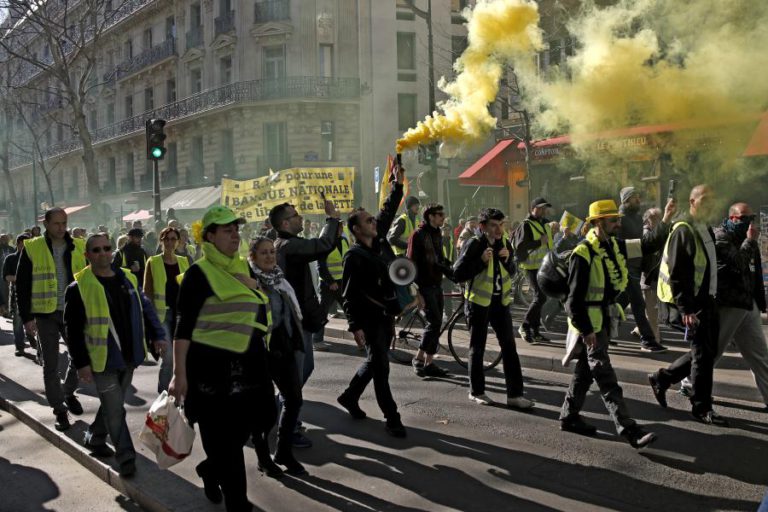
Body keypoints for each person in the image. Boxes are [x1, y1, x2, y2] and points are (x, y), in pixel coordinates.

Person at [169, 206, 276, 512]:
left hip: (251, 368)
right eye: (226, 230)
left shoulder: (242, 268)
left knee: (262, 421)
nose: (234, 235)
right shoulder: (198, 274)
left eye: (236, 229)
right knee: (228, 447)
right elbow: (183, 326)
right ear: (210, 236)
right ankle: (238, 505)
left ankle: (209, 470)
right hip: (211, 375)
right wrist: (180, 373)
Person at [64, 233, 166, 477]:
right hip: (102, 361)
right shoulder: (78, 288)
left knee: (114, 405)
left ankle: (96, 438)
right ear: (87, 255)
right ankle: (126, 456)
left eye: (106, 248)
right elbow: (73, 331)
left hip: (130, 356)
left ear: (113, 251)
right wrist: (81, 364)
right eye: (96, 250)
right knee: (116, 409)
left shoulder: (128, 278)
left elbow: (146, 308)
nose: (103, 253)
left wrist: (158, 335)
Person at [559, 199, 657, 449]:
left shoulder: (614, 245)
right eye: (613, 220)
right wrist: (586, 330)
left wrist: (664, 220)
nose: (618, 223)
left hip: (602, 320)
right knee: (605, 375)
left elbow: (645, 246)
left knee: (584, 373)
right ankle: (628, 428)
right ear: (597, 223)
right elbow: (573, 300)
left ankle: (569, 417)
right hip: (589, 326)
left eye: (618, 219)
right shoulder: (583, 253)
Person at [336, 164, 407, 437]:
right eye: (368, 221)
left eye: (372, 220)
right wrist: (355, 326)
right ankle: (392, 418)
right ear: (356, 229)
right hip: (369, 320)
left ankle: (350, 396)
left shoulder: (376, 244)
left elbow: (387, 212)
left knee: (376, 361)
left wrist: (396, 186)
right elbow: (348, 294)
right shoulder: (353, 257)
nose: (373, 223)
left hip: (385, 317)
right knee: (381, 368)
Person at [648, 185, 728, 425]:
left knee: (707, 351)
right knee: (703, 356)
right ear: (692, 202)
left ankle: (662, 379)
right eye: (704, 199)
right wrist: (687, 309)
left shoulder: (705, 228)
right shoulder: (683, 229)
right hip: (694, 306)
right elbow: (677, 274)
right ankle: (702, 407)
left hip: (708, 301)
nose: (710, 204)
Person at [680, 203, 768, 408]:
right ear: (733, 218)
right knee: (712, 351)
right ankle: (689, 383)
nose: (750, 223)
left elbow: (753, 273)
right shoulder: (720, 237)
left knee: (760, 355)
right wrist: (750, 241)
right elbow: (739, 263)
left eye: (752, 218)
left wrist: (760, 302)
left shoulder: (747, 239)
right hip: (727, 304)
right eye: (745, 218)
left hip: (747, 305)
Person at [270, 198, 341, 448]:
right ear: (285, 223)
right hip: (293, 323)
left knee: (304, 369)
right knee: (295, 375)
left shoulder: (286, 244)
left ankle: (280, 413)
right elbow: (322, 245)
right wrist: (332, 219)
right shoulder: (288, 246)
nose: (301, 218)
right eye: (295, 215)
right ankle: (288, 426)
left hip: (300, 320)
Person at [453, 208, 534, 410]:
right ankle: (476, 391)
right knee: (477, 348)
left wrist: (508, 261)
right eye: (493, 225)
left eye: (501, 225)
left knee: (510, 348)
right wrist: (480, 262)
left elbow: (513, 272)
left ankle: (514, 395)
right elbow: (458, 274)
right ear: (482, 227)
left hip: (500, 304)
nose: (499, 229)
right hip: (478, 304)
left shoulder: (504, 243)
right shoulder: (474, 244)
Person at [16, 207, 87, 431]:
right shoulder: (33, 247)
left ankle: (68, 392)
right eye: (56, 223)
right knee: (51, 365)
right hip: (45, 314)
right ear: (46, 224)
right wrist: (27, 318)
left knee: (80, 356)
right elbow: (22, 284)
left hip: (72, 312)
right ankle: (59, 410)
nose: (61, 228)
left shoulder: (79, 246)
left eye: (64, 223)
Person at [249, 236, 309, 476]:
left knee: (294, 399)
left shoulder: (280, 279)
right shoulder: (249, 281)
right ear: (252, 257)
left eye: (271, 252)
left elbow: (292, 313)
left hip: (283, 347)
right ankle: (264, 458)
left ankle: (283, 451)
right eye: (263, 253)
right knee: (263, 411)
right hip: (259, 351)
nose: (269, 257)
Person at [617, 187, 668, 352]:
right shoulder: (620, 219)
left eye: (638, 196)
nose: (638, 200)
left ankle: (604, 332)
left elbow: (646, 243)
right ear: (626, 200)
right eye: (635, 197)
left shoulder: (637, 218)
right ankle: (648, 340)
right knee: (639, 304)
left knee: (620, 303)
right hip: (626, 267)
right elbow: (620, 245)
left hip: (637, 266)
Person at [408, 203, 454, 377]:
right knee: (434, 322)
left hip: (436, 283)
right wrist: (417, 291)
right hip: (424, 285)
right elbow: (410, 263)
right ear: (430, 216)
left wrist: (453, 271)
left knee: (436, 324)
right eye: (440, 214)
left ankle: (428, 362)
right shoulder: (418, 235)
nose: (443, 217)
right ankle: (419, 359)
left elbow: (439, 259)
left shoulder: (437, 233)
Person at [144, 227, 190, 393]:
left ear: (178, 241)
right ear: (161, 241)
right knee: (169, 358)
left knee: (182, 358)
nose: (170, 242)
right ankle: (164, 394)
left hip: (181, 315)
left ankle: (178, 392)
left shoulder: (184, 261)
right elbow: (147, 293)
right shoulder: (153, 261)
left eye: (173, 239)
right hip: (161, 316)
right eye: (166, 239)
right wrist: (150, 323)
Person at [514, 197, 554, 343]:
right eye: (541, 208)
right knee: (540, 297)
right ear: (533, 208)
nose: (544, 211)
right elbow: (520, 247)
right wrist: (538, 242)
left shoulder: (545, 224)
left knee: (541, 297)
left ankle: (536, 332)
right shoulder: (525, 225)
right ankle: (524, 326)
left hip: (543, 266)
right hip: (531, 267)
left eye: (545, 208)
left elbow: (548, 245)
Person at [312, 222, 349, 352]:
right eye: (338, 227)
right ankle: (316, 340)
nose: (341, 229)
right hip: (327, 285)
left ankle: (360, 338)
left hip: (341, 283)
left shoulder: (344, 240)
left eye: (341, 227)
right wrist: (330, 281)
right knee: (322, 312)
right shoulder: (324, 244)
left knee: (349, 308)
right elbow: (320, 267)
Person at [3, 233, 32, 356]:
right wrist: (21, 278)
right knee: (18, 321)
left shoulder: (34, 258)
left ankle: (34, 341)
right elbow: (7, 277)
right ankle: (19, 346)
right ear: (18, 244)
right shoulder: (10, 258)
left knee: (36, 321)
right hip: (17, 295)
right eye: (24, 244)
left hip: (35, 294)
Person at [639, 207, 664, 344]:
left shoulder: (656, 232)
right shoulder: (646, 234)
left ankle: (640, 329)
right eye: (656, 218)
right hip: (648, 279)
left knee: (652, 309)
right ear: (648, 219)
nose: (659, 221)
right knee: (652, 311)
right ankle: (655, 339)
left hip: (656, 278)